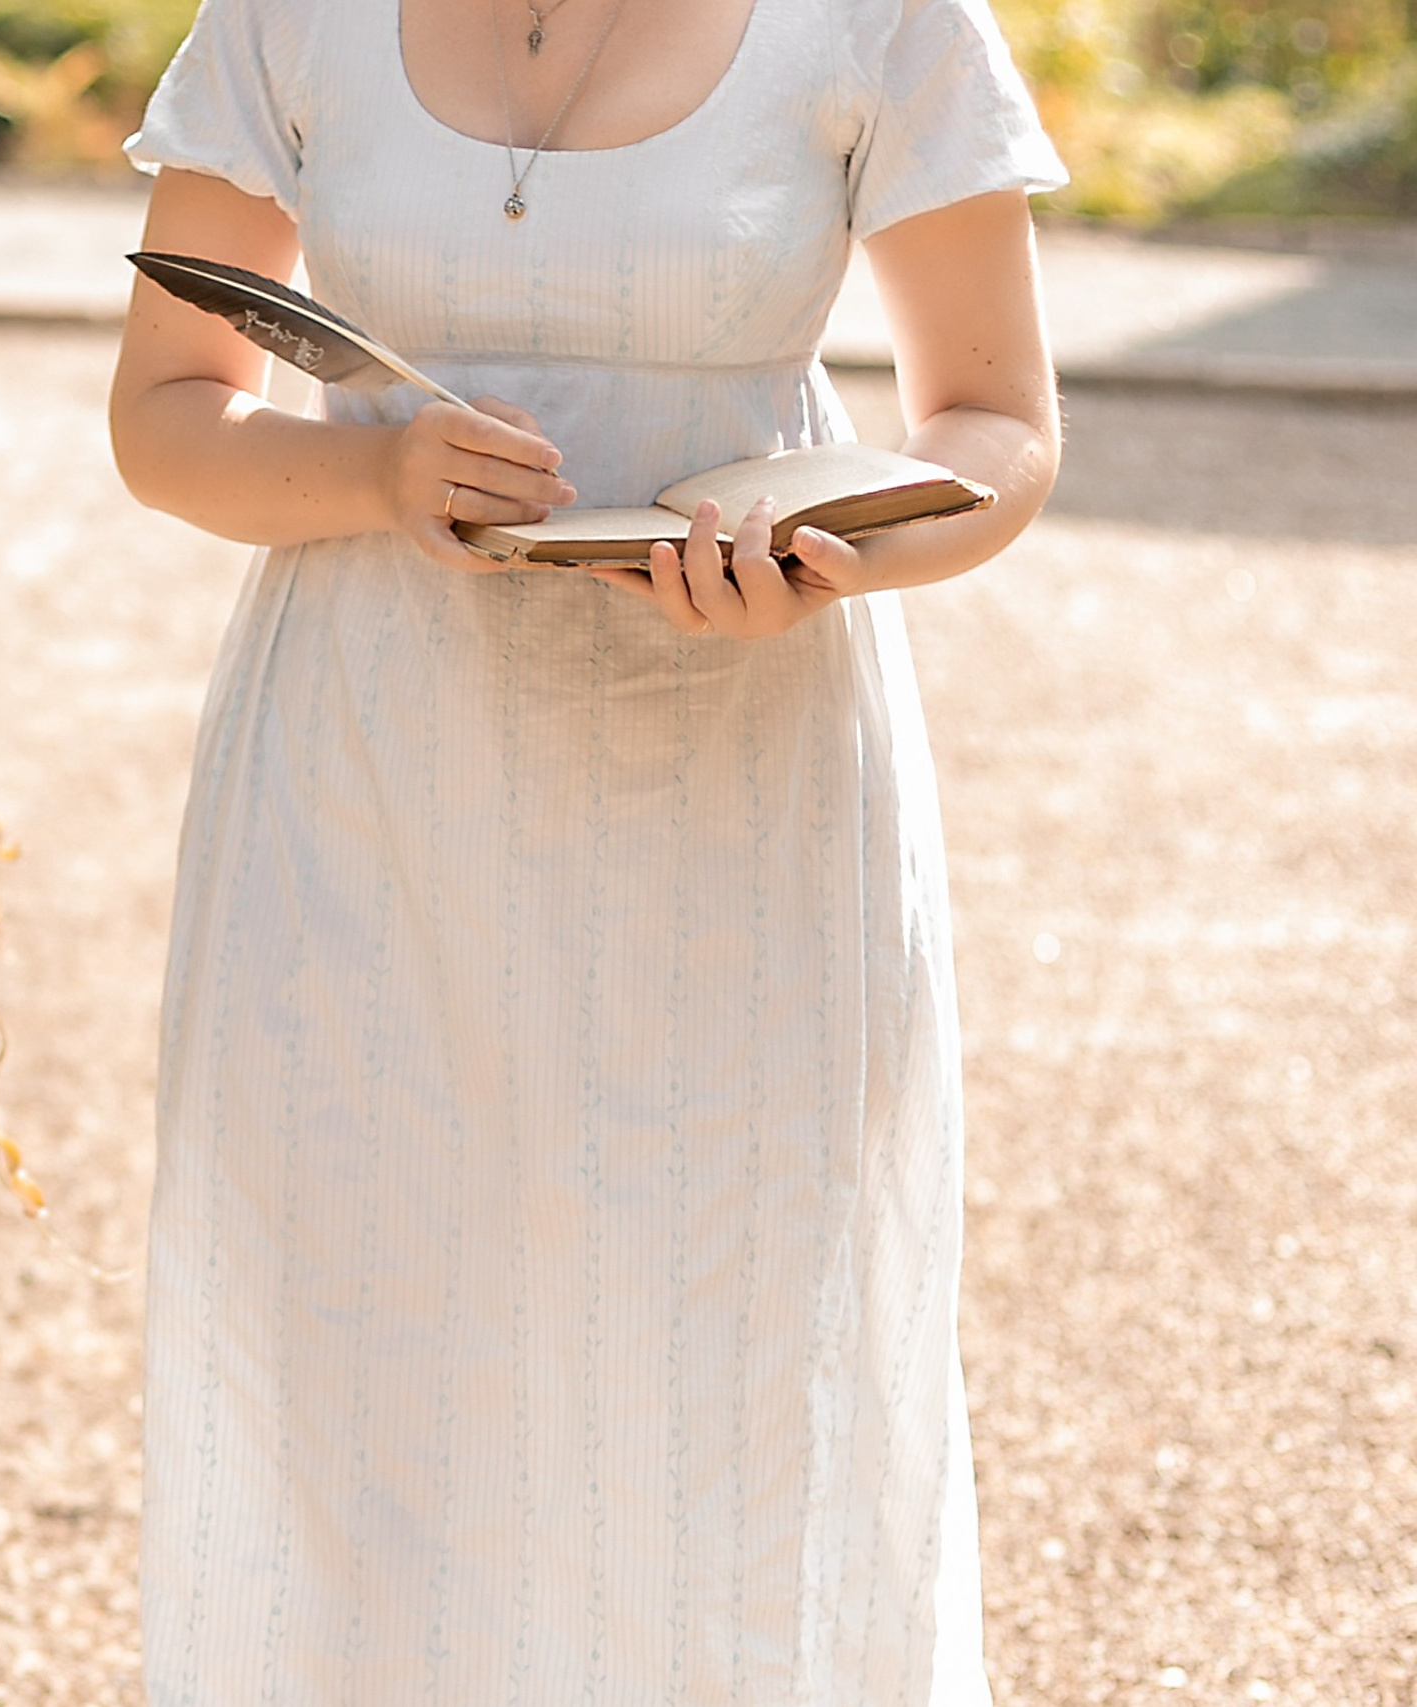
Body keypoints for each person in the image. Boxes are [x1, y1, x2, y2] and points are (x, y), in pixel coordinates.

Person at [106, 0, 1065, 1699]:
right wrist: (380, 475)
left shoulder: (886, 19)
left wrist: (839, 541)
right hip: (366, 780)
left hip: (741, 785)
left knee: (726, 1361)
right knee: (358, 1349)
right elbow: (170, 412)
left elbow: (994, 424)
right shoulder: (286, 18)